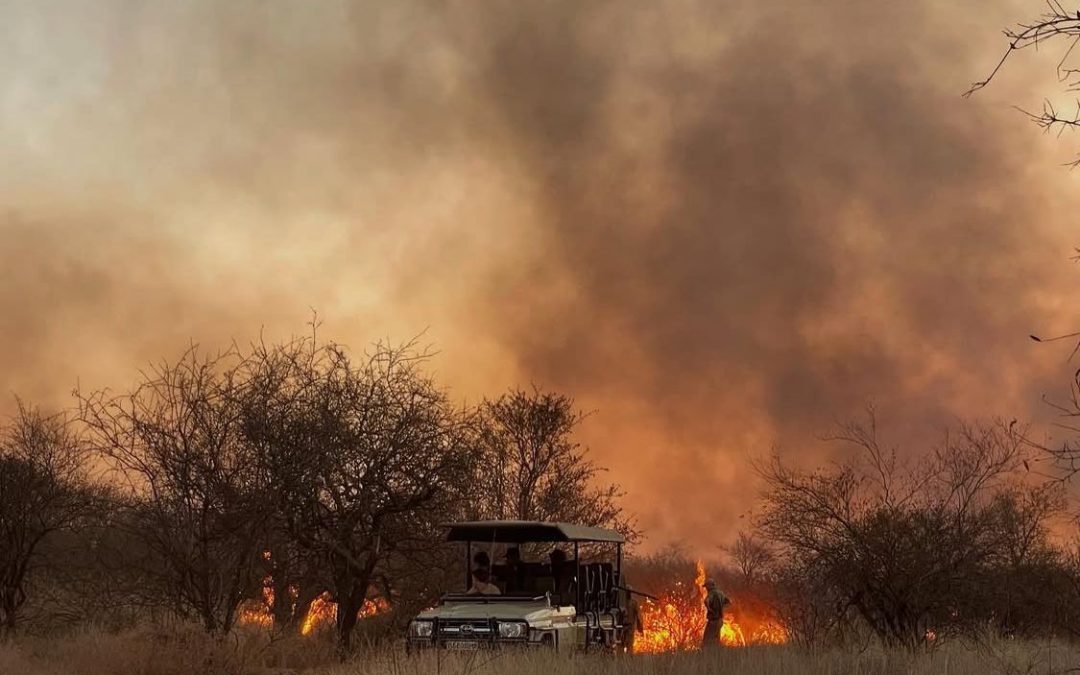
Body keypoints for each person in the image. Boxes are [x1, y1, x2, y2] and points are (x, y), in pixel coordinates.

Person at [701, 578, 730, 650]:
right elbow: (729, 602)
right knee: (716, 640)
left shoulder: (712, 593)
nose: (706, 588)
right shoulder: (721, 593)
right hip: (720, 621)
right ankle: (717, 653)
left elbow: (706, 601)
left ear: (711, 586)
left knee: (707, 640)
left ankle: (707, 654)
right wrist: (721, 609)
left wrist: (709, 609)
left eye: (707, 586)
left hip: (713, 621)